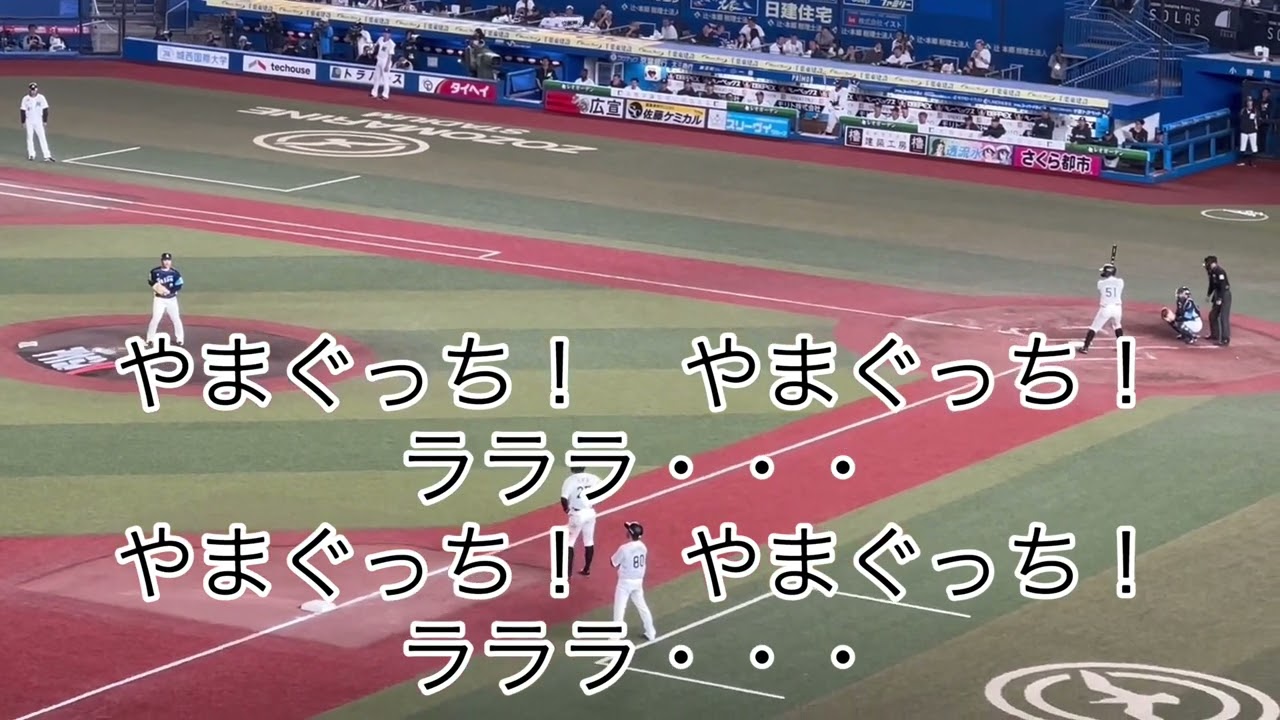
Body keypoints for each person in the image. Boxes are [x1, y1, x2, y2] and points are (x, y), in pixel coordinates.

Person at [611, 521, 656, 642]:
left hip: (625, 582)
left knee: (619, 608)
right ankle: (651, 632)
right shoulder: (643, 547)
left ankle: (615, 637)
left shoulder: (624, 549)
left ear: (630, 534)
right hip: (638, 582)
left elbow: (613, 562)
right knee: (643, 607)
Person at [560, 466, 599, 576]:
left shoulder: (570, 480)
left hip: (577, 514)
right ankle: (587, 569)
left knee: (569, 542)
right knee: (589, 541)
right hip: (590, 512)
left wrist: (567, 510)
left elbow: (564, 498)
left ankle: (567, 574)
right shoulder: (593, 478)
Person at [1080, 262, 1124, 354]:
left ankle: (1085, 347)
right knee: (1117, 326)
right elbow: (1113, 282)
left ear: (1108, 272)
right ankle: (1122, 347)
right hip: (1117, 309)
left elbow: (1106, 282)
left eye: (1104, 271)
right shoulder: (1120, 282)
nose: (1103, 272)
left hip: (1106, 308)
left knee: (1094, 327)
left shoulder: (1101, 283)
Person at [147, 252, 185, 346]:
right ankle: (150, 339)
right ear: (161, 261)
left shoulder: (175, 273)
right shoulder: (155, 272)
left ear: (171, 261)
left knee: (176, 319)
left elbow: (179, 284)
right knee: (155, 319)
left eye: (168, 260)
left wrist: (170, 291)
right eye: (165, 260)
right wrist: (158, 288)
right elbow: (151, 281)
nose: (167, 262)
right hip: (159, 300)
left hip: (172, 300)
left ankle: (180, 339)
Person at [20, 82, 53, 162]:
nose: (33, 91)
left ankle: (47, 155)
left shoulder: (41, 98)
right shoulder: (25, 99)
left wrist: (45, 120)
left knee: (42, 137)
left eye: (34, 90)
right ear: (29, 90)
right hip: (29, 121)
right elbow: (22, 110)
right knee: (30, 137)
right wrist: (23, 121)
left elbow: (45, 109)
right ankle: (31, 154)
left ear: (37, 89)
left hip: (38, 121)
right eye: (32, 90)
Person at [1203, 255, 1231, 346]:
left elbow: (1223, 286)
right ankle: (1215, 335)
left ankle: (1225, 339)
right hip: (1217, 294)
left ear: (1213, 263)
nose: (1206, 265)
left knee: (1223, 317)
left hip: (1224, 295)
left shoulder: (1220, 272)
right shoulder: (1212, 272)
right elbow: (1212, 285)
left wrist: (1220, 299)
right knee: (1212, 315)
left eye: (1207, 263)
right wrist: (1208, 295)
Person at [370, 29, 396, 100]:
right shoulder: (380, 39)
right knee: (376, 77)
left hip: (386, 61)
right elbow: (376, 45)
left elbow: (390, 56)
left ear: (390, 35)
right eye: (384, 33)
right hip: (379, 60)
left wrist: (387, 65)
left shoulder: (391, 43)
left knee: (385, 79)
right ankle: (374, 93)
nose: (385, 34)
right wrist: (375, 52)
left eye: (387, 33)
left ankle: (385, 95)